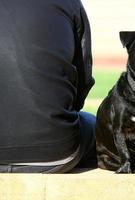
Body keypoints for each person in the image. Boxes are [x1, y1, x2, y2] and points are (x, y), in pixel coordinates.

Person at [0, 0, 97, 173]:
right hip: (55, 150)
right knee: (102, 128)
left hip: (53, 147)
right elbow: (83, 79)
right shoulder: (70, 3)